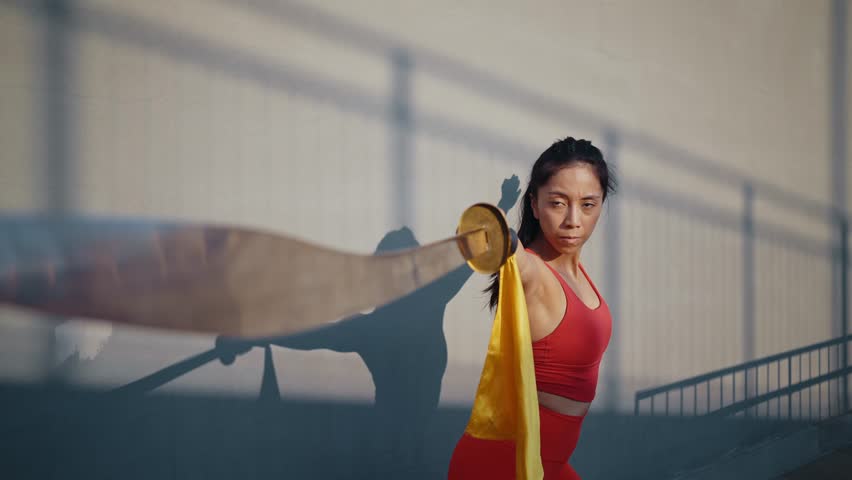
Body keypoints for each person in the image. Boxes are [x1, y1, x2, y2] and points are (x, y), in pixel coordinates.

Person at [448, 136, 616, 479]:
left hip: (547, 464)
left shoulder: (576, 274)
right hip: (503, 464)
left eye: (588, 204)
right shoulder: (535, 272)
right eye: (558, 203)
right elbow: (514, 256)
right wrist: (500, 237)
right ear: (535, 205)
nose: (573, 219)